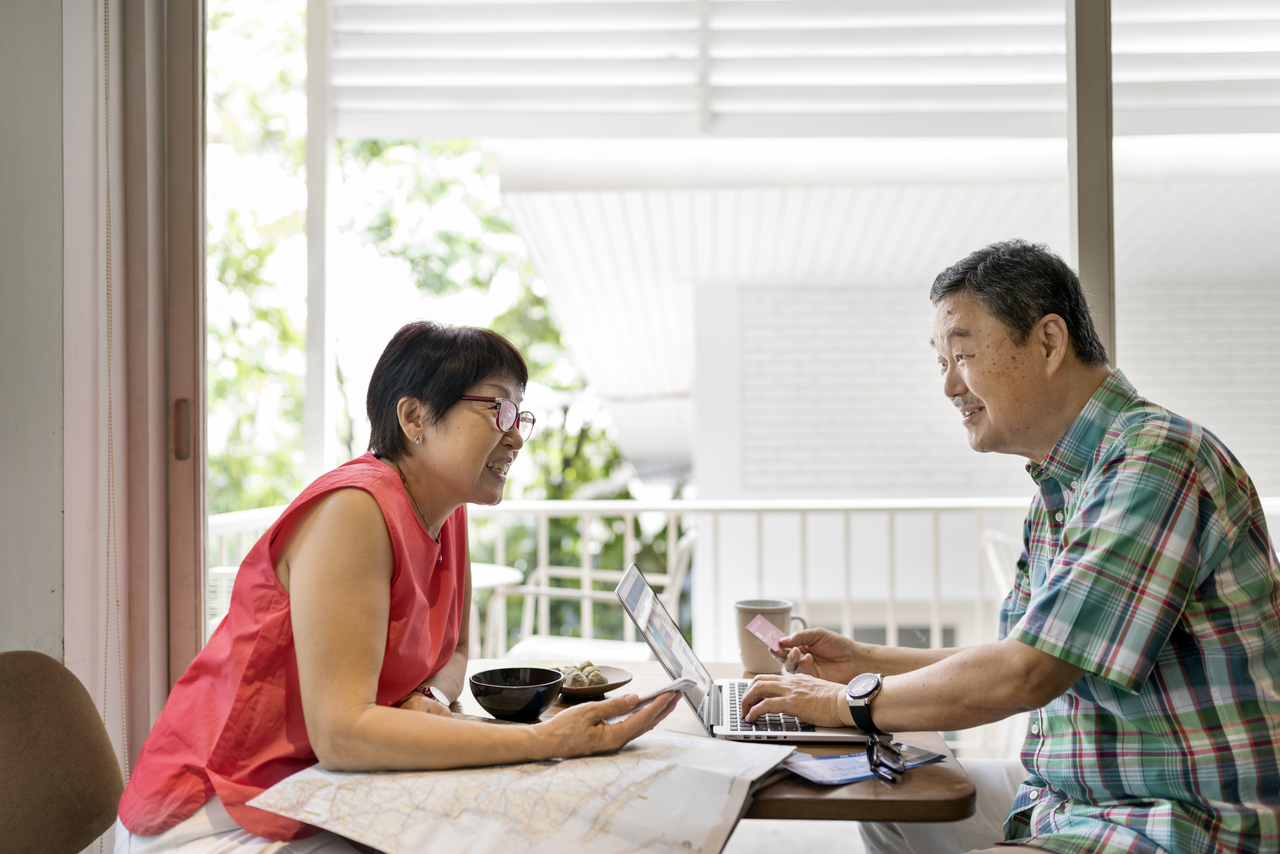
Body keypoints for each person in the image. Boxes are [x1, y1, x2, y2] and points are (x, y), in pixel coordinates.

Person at [740, 240, 1280, 854]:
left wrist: (844, 703)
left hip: (1181, 817)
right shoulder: (1063, 481)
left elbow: (1027, 673)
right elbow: (1018, 651)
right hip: (1075, 795)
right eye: (940, 362)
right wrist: (865, 663)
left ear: (1049, 343)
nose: (949, 386)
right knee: (889, 806)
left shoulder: (1155, 458)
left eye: (963, 355)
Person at [114, 322, 679, 853]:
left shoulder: (446, 510)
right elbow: (342, 733)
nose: (515, 436)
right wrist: (545, 741)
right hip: (221, 809)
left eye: (520, 415)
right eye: (498, 409)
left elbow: (454, 651)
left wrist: (427, 699)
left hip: (325, 788)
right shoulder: (353, 511)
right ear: (414, 417)